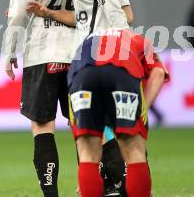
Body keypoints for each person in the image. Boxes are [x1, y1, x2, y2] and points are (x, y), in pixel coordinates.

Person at [26, 0, 132, 197]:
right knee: (103, 126)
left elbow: (120, 17)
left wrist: (117, 54)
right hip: (88, 58)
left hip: (101, 59)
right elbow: (93, 17)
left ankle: (116, 186)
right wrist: (48, 12)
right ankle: (113, 186)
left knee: (97, 129)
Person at [2, 0, 76, 197]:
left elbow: (19, 12)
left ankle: (51, 194)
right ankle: (107, 185)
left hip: (43, 53)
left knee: (43, 127)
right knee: (86, 128)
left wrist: (9, 52)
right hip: (77, 53)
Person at [68, 28, 169, 197]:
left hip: (82, 76)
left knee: (88, 154)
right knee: (134, 150)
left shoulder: (88, 39)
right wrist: (141, 109)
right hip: (122, 74)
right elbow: (158, 73)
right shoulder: (138, 39)